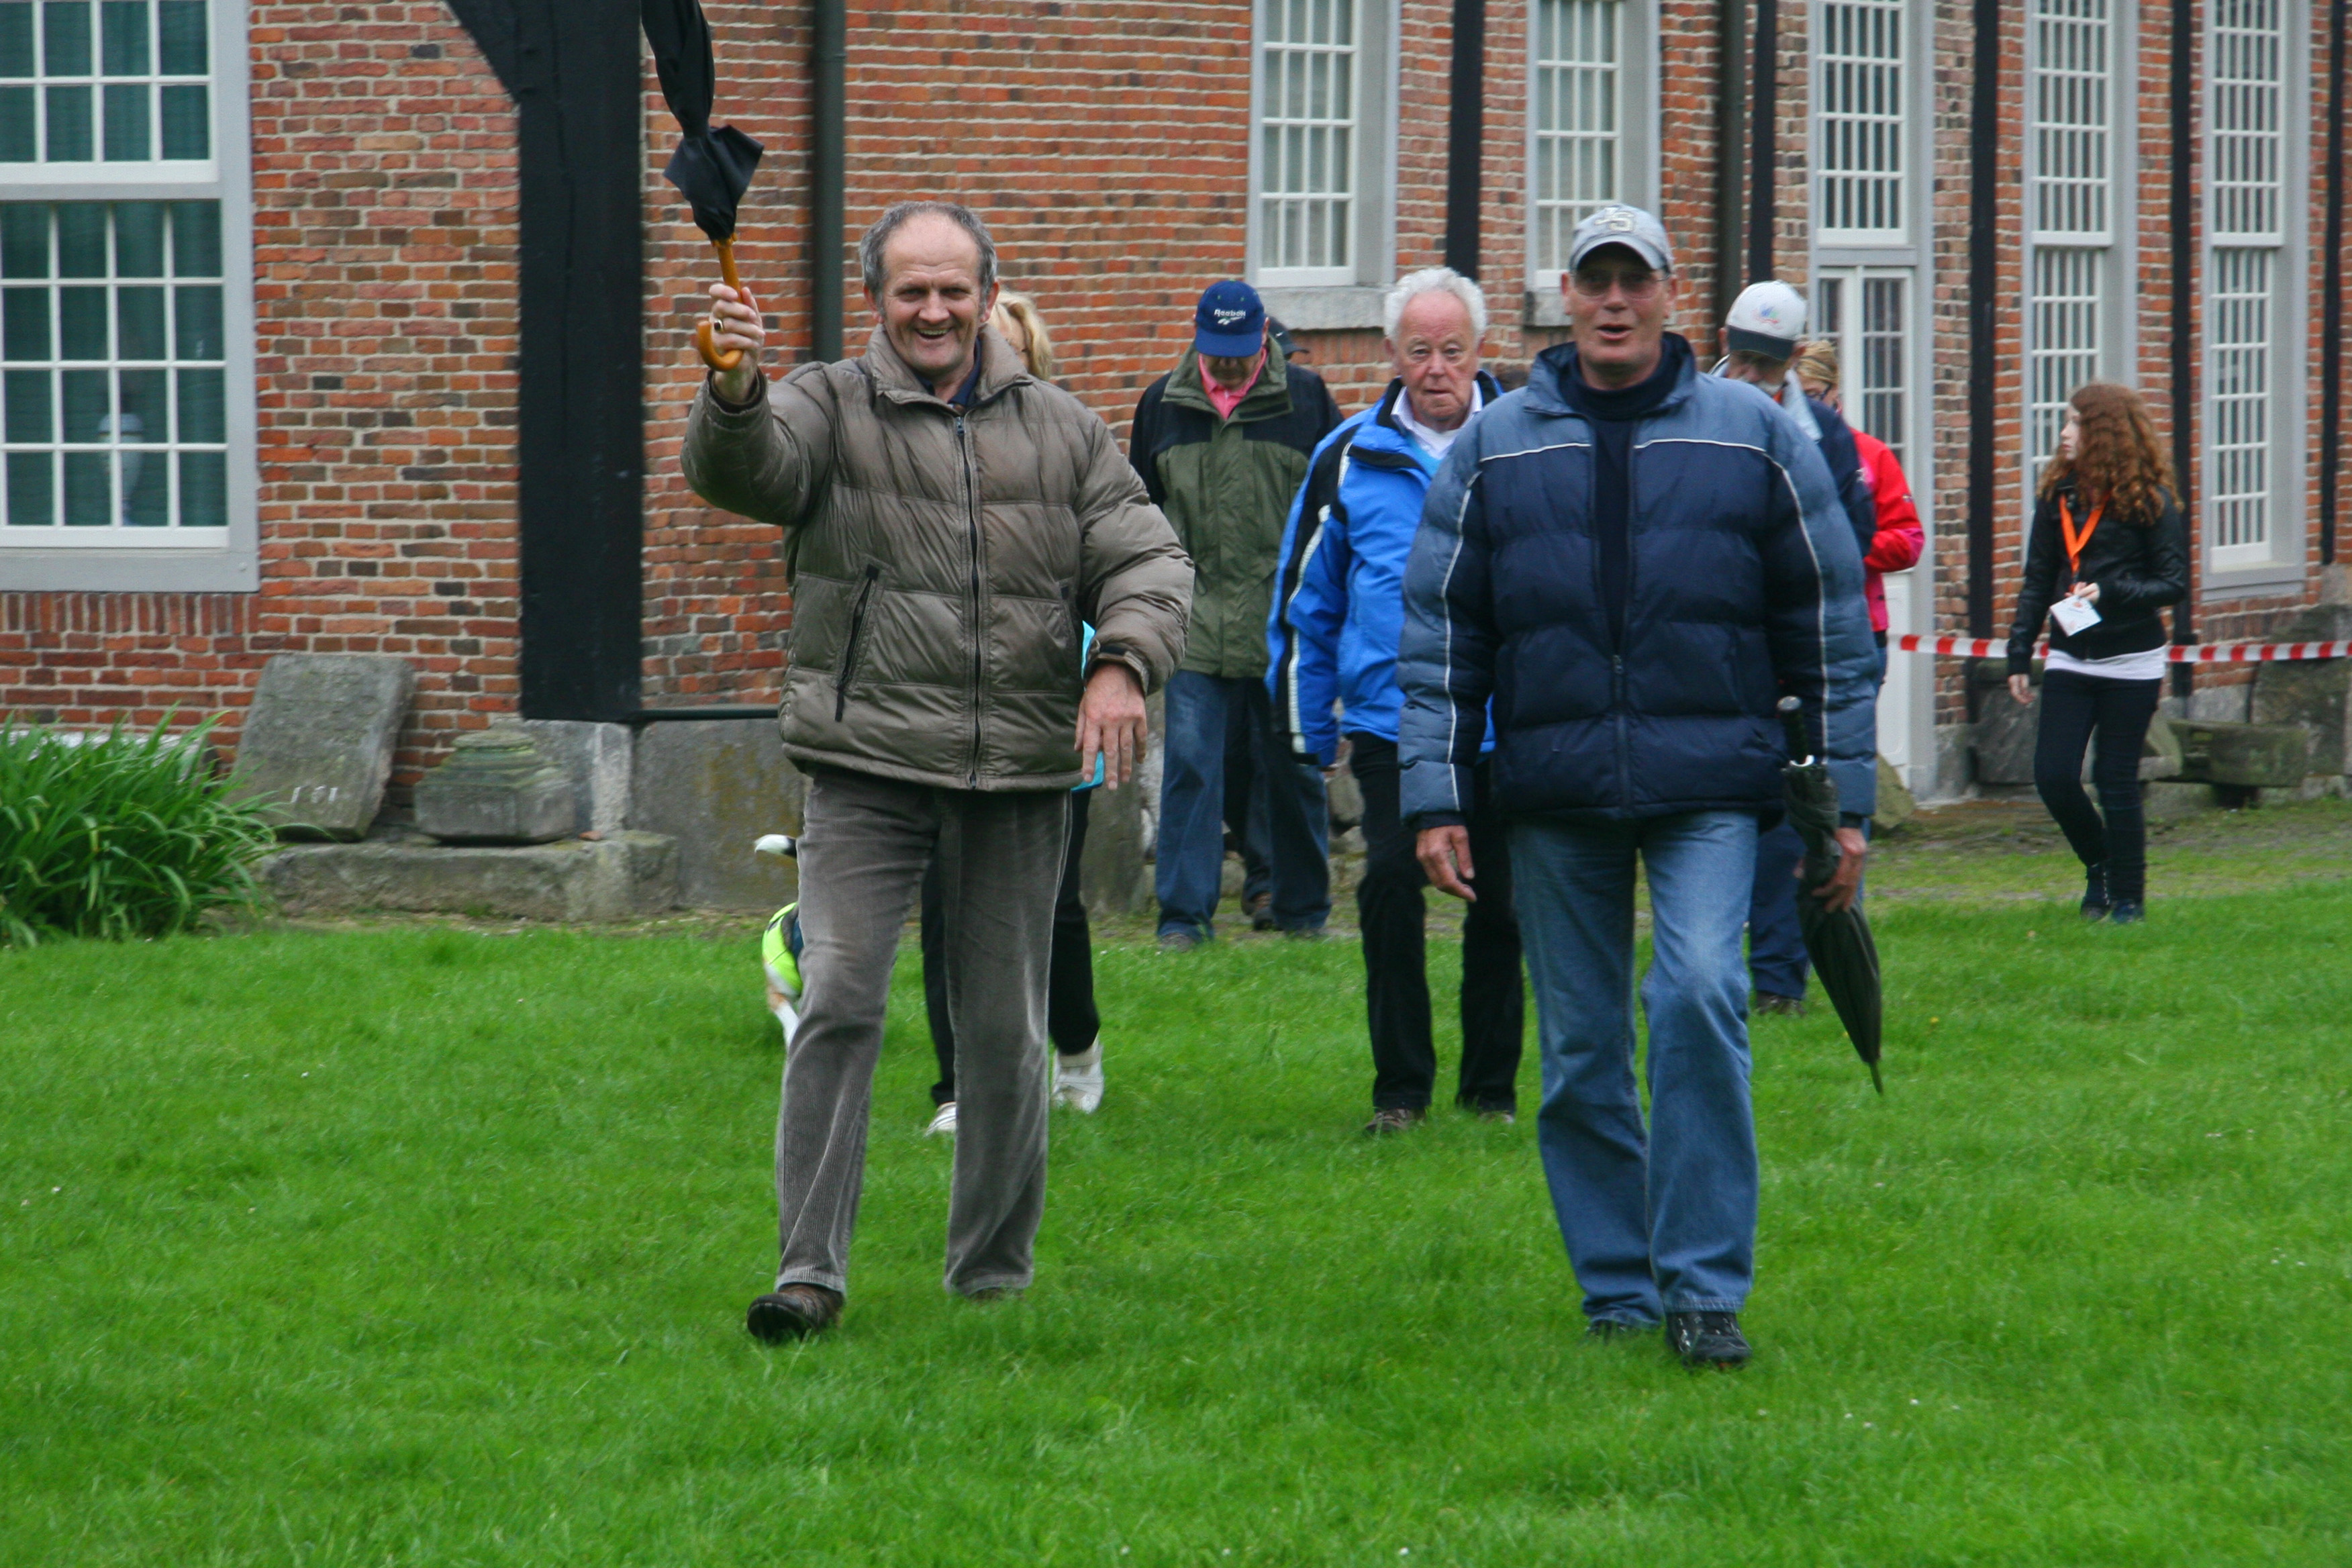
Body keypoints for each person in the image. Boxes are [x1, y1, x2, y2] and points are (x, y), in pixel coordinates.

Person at [685, 201, 1191, 1340]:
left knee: (1004, 1032)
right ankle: (808, 1275)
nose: (932, 310)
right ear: (876, 299)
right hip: (864, 762)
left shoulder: (1061, 429)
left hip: (1016, 769)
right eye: (910, 290)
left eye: (953, 289)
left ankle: (991, 1276)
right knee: (838, 1001)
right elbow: (748, 475)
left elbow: (1149, 558)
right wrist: (734, 390)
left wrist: (1121, 664)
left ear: (985, 296)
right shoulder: (825, 403)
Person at [1398, 205, 1877, 1368]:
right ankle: (1617, 1287)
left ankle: (1703, 1288)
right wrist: (1436, 796)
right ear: (1565, 296)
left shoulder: (1752, 435)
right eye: (1594, 281)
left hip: (1711, 781)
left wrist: (1845, 802)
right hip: (1554, 788)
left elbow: (1824, 621)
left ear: (1670, 293)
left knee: (1702, 992)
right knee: (1578, 1051)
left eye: (1635, 280)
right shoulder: (1493, 445)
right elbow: (1441, 634)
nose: (1614, 302)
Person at [1267, 266, 1524, 1136]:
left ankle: (1490, 1092)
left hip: (1503, 720)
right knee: (1386, 884)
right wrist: (1307, 728)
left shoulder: (1524, 443)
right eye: (1419, 351)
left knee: (1504, 903)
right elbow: (1307, 601)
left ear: (1480, 351)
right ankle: (1401, 1091)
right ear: (1391, 353)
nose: (1436, 368)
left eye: (1453, 350)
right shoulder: (1346, 456)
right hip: (1389, 717)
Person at [918, 293, 1105, 1136]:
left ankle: (1078, 1047)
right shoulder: (924, 453)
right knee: (945, 902)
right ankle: (958, 1086)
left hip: (1052, 716)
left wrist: (1111, 671)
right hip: (942, 718)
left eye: (1011, 353)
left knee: (1050, 907)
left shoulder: (1072, 454)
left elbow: (1122, 571)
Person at [1132, 281, 1343, 948]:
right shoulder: (1161, 405)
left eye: (1240, 352)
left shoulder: (1307, 400)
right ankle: (1182, 917)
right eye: (1215, 351)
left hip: (1285, 624)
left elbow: (1335, 510)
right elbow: (1139, 512)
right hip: (1195, 621)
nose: (1226, 365)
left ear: (1263, 339)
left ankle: (1303, 910)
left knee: (1294, 763)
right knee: (1192, 765)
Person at [1716, 283, 1879, 1018]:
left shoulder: (1827, 438)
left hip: (1793, 659)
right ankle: (1717, 969)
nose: (1754, 375)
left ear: (1797, 356)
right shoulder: (1693, 419)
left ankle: (1781, 980)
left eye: (1770, 362)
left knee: (1798, 824)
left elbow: (1848, 543)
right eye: (1744, 358)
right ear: (1725, 344)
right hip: (1719, 658)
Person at [2005, 383, 2188, 925]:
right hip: (2069, 656)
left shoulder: (2151, 501)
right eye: (2066, 422)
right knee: (2054, 776)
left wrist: (2111, 591)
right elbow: (2037, 579)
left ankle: (2129, 900)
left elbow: (2172, 584)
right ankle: (2099, 863)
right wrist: (2019, 652)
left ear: (2104, 433)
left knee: (2115, 780)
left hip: (2132, 662)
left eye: (2075, 423)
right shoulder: (2057, 496)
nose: (2064, 432)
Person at [1792, 340, 1924, 679]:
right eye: (1790, 396)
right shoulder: (1770, 451)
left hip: (1859, 627)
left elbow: (1909, 542)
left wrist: (1841, 548)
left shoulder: (1872, 454)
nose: (1801, 409)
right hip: (1789, 627)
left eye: (1812, 396)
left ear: (1834, 390)